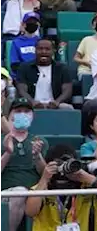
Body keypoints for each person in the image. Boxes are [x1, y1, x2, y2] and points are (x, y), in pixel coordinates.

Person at [24, 144, 97, 231]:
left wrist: (89, 178)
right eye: (59, 163)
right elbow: (30, 211)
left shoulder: (86, 185)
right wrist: (44, 179)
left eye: (67, 163)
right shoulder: (41, 188)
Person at [0, 98, 48, 231]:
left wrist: (37, 156)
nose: (22, 114)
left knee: (23, 192)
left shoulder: (39, 141)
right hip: (6, 192)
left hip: (34, 192)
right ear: (10, 116)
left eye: (27, 111)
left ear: (33, 116)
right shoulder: (2, 140)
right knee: (19, 192)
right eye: (18, 111)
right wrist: (8, 152)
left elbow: (45, 173)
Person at [15, 38, 73, 109]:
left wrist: (57, 102)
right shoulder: (24, 67)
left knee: (67, 108)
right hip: (30, 104)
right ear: (35, 50)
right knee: (20, 108)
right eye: (40, 49)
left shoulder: (62, 68)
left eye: (47, 49)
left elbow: (67, 90)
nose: (43, 52)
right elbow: (22, 90)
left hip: (56, 104)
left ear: (53, 51)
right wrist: (32, 102)